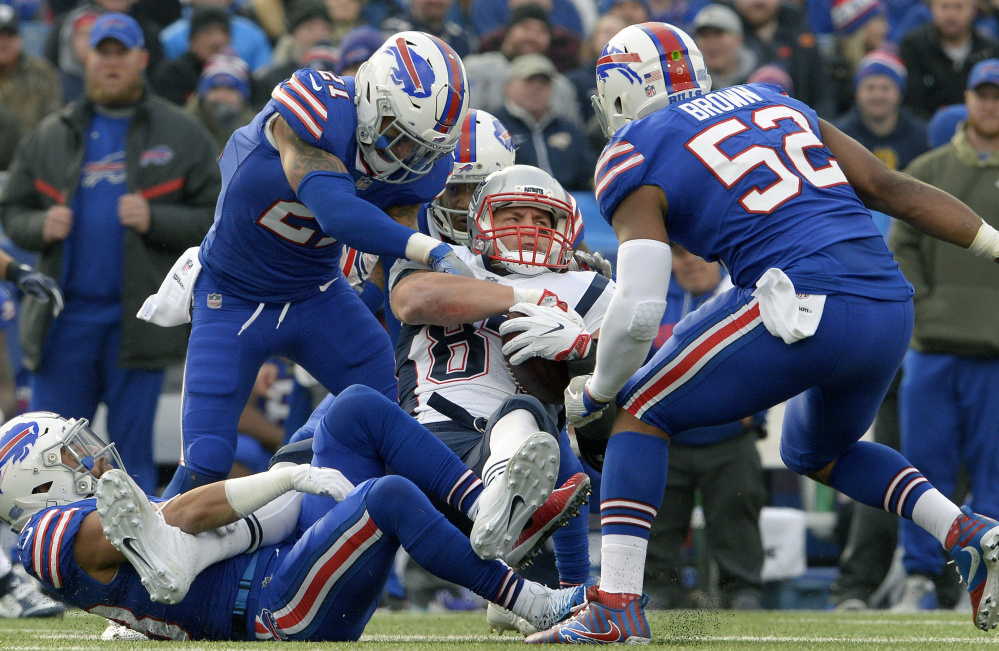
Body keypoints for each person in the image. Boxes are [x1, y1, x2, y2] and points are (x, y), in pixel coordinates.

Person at [531, 22, 999, 643]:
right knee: (816, 452)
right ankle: (967, 532)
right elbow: (891, 188)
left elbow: (642, 306)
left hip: (801, 301)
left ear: (621, 90)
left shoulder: (634, 148)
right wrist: (994, 242)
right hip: (886, 304)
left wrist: (595, 396)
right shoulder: (774, 101)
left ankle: (616, 607)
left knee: (637, 411)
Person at [0, 386, 587, 641]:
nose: (93, 459)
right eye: (71, 455)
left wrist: (287, 477)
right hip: (275, 607)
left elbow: (182, 520)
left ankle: (483, 505)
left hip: (273, 562)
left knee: (351, 408)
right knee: (387, 497)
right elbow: (164, 524)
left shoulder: (112, 523)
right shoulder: (44, 536)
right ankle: (530, 602)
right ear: (35, 481)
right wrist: (282, 480)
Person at [158, 31, 476, 497]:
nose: (406, 156)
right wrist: (432, 249)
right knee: (206, 461)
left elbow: (394, 252)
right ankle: (149, 555)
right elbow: (336, 211)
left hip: (317, 296)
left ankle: (477, 508)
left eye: (421, 148)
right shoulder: (318, 102)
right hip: (231, 297)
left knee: (403, 421)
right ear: (370, 95)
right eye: (396, 133)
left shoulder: (420, 168)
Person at [0, 13, 220, 494]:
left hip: (136, 326)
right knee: (43, 463)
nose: (112, 62)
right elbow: (12, 208)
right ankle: (33, 565)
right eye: (103, 51)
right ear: (87, 58)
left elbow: (216, 219)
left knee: (129, 465)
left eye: (123, 52)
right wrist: (41, 225)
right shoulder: (52, 132)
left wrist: (155, 218)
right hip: (62, 324)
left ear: (142, 59)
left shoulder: (181, 134)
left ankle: (134, 566)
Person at [392, 163, 613, 622]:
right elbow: (413, 301)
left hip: (522, 447)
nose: (528, 230)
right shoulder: (451, 261)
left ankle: (571, 590)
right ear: (482, 221)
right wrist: (526, 299)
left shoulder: (591, 287)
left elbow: (622, 394)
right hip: (429, 435)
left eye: (541, 219)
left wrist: (583, 352)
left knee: (541, 432)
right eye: (513, 216)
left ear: (564, 226)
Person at [888, 58, 999, 612]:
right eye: (982, 93)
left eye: (997, 95)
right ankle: (921, 578)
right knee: (923, 469)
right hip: (932, 349)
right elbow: (899, 245)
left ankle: (987, 584)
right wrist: (923, 308)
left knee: (995, 472)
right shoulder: (927, 168)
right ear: (968, 99)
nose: (990, 103)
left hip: (996, 355)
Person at [642, 244, 766, 611]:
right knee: (658, 522)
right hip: (667, 437)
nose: (690, 261)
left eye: (697, 253)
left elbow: (770, 354)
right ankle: (658, 585)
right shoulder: (650, 301)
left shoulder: (742, 294)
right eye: (679, 254)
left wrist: (753, 414)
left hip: (729, 436)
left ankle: (741, 587)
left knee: (737, 518)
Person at [494, 54, 596, 191]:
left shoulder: (567, 128)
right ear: (508, 87)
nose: (536, 88)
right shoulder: (494, 127)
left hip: (568, 203)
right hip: (514, 202)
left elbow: (589, 173)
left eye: (543, 82)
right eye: (529, 81)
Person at [899, 0, 999, 120]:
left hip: (979, 130)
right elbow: (913, 103)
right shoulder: (913, 46)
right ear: (931, 9)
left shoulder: (990, 49)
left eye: (959, 7)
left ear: (973, 9)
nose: (951, 14)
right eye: (944, 6)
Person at [0, 4, 62, 132]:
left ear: (20, 38)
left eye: (9, 34)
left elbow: (52, 120)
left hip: (31, 147)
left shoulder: (42, 71)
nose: (3, 42)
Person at [186, 54, 256, 154]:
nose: (222, 96)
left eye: (230, 89)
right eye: (215, 88)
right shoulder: (186, 126)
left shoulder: (256, 131)